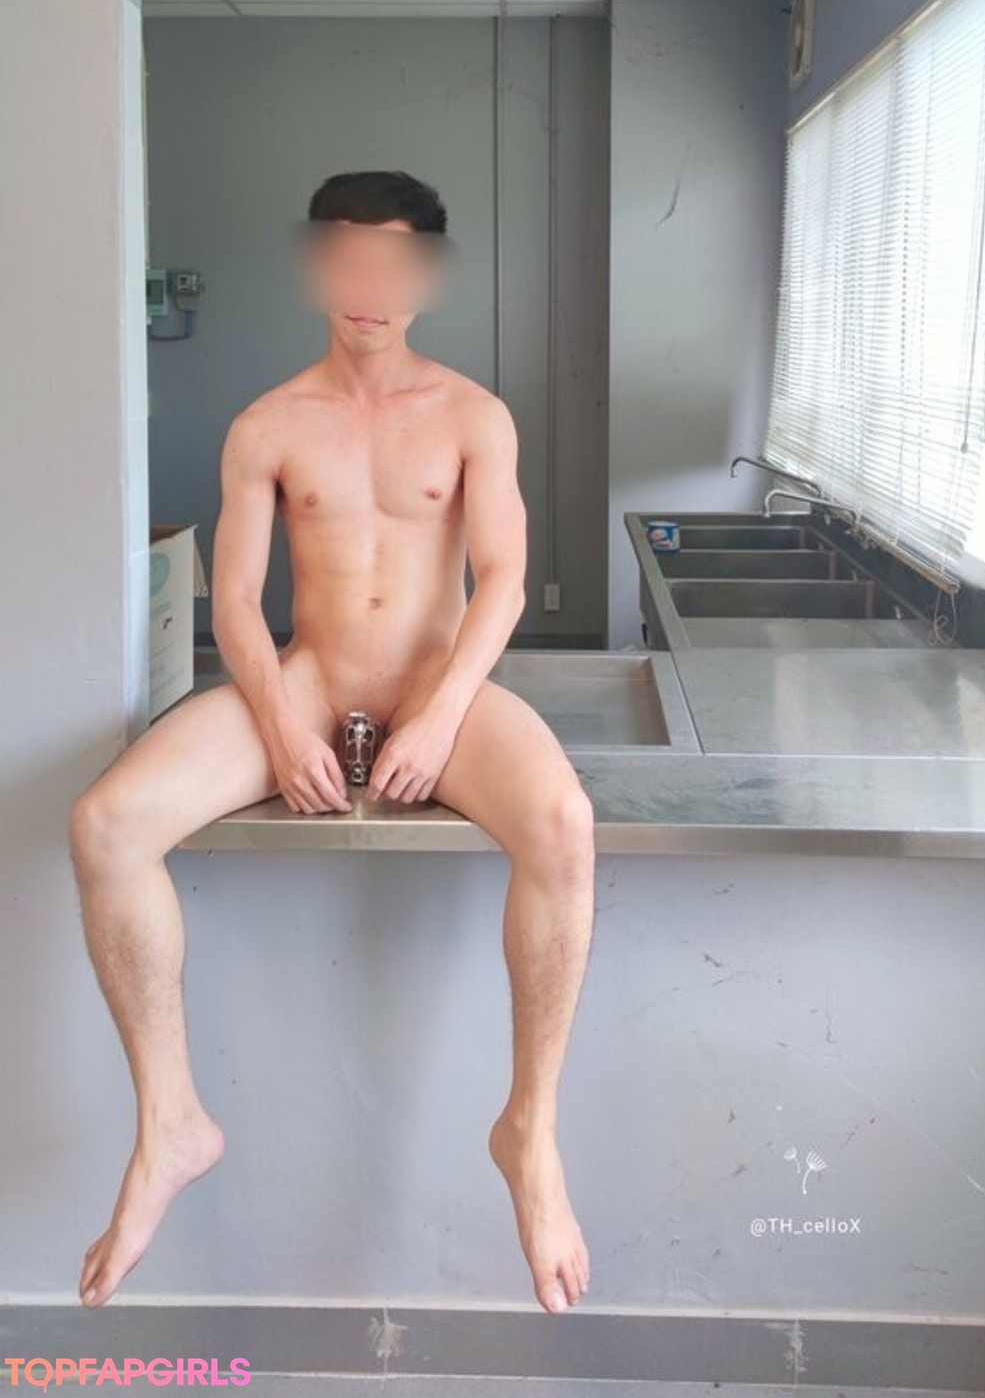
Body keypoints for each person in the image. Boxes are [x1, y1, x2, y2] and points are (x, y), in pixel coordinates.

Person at [69, 170, 596, 1315]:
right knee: (106, 824)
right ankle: (171, 1119)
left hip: (436, 685)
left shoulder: (474, 415)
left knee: (562, 822)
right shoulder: (267, 423)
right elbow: (234, 599)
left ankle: (530, 1128)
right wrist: (275, 717)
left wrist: (444, 710)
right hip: (306, 683)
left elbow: (504, 579)